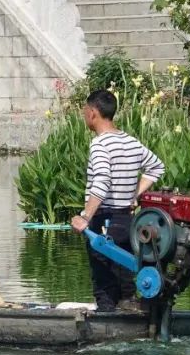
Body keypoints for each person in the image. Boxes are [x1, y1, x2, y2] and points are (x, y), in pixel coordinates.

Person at [69, 89, 165, 312]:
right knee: (125, 282)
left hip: (105, 221)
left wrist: (85, 217)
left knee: (104, 284)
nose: (84, 115)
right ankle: (131, 317)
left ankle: (106, 325)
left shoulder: (100, 145)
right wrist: (134, 195)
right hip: (127, 221)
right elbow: (156, 167)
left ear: (93, 113)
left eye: (85, 111)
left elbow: (101, 181)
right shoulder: (131, 142)